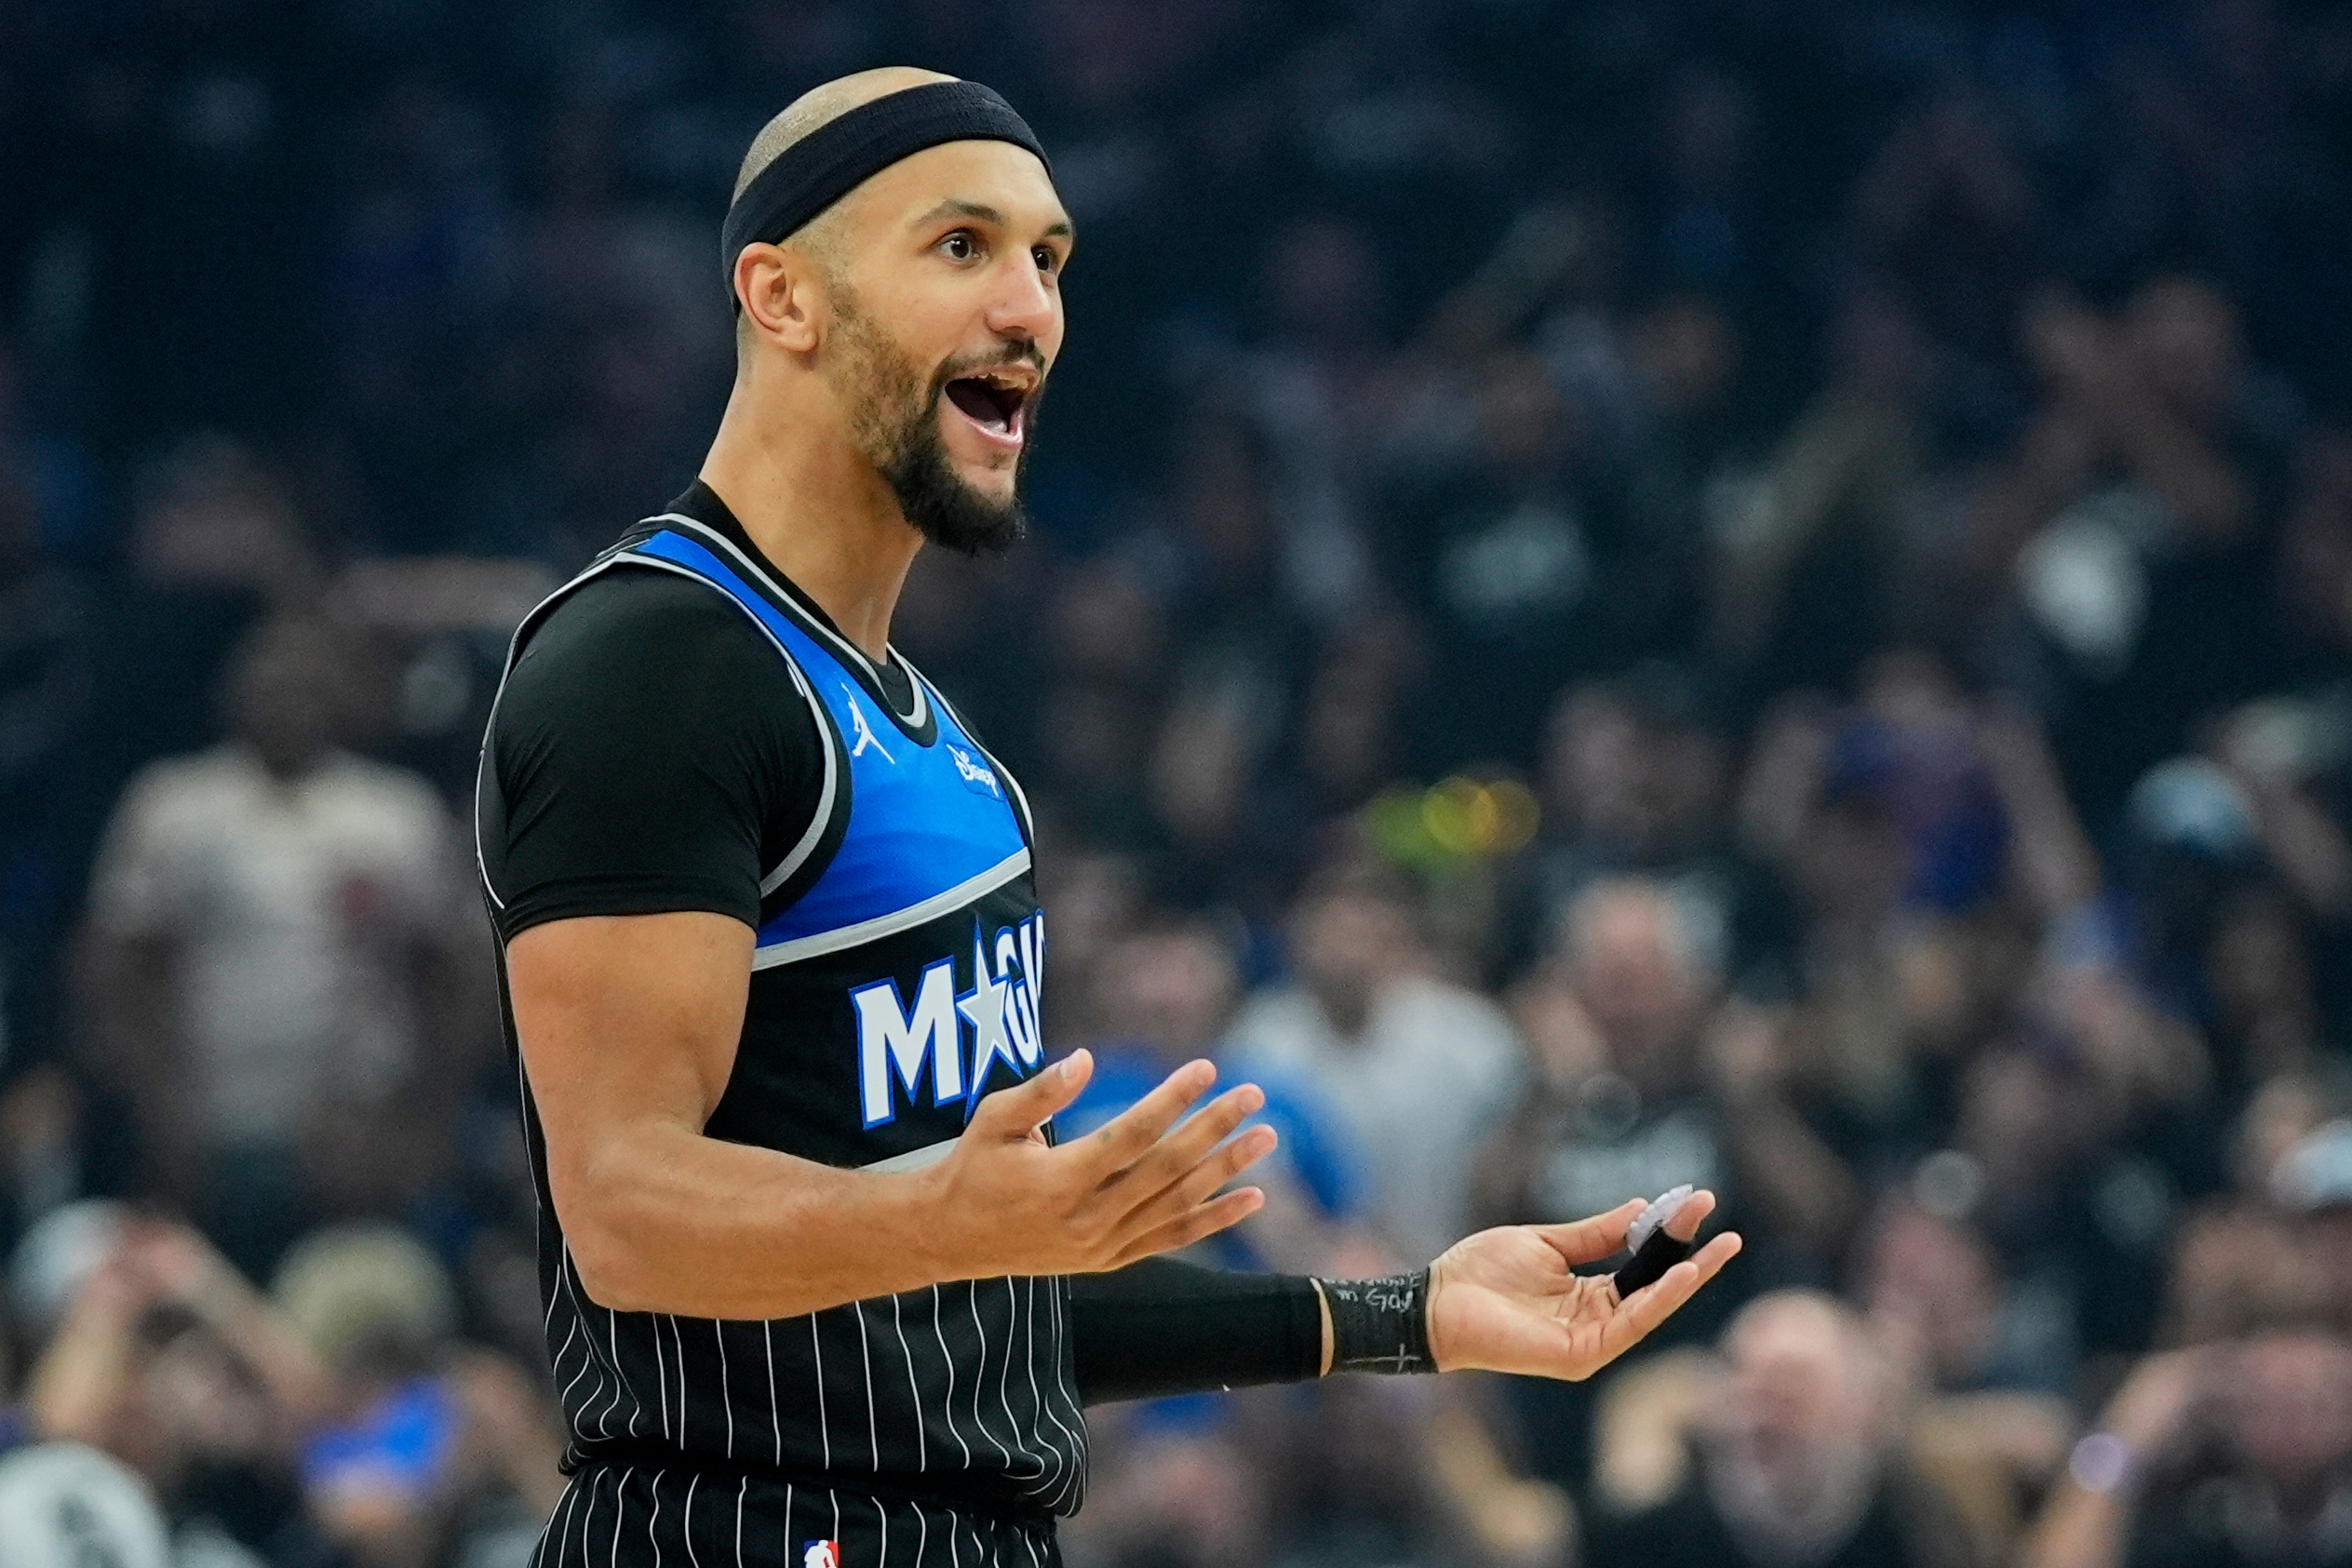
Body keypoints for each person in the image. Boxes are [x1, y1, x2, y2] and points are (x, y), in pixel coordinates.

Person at [475, 66, 1742, 1568]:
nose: (1032, 308)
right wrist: (954, 1220)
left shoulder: (948, 751)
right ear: (783, 295)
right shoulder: (657, 659)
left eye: (1050, 258)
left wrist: (1407, 1314)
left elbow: (987, 1295)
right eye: (963, 245)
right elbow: (624, 1207)